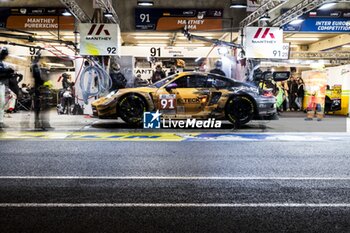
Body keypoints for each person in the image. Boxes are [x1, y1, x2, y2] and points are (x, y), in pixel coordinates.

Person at [0, 47, 14, 129]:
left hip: (1, 84)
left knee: (1, 103)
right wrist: (6, 71)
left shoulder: (2, 63)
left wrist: (9, 73)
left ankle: (0, 122)